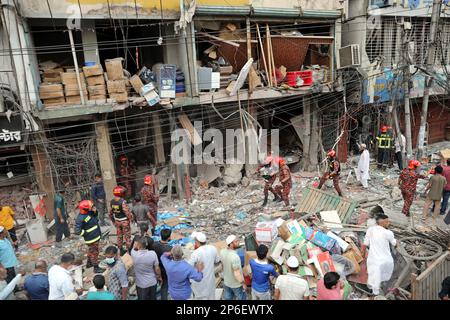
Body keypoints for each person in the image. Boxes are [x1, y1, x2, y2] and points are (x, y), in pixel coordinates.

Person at [360, 214, 397, 296]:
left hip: (374, 260)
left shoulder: (370, 229)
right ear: (382, 222)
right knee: (381, 277)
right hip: (386, 261)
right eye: (387, 222)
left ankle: (374, 293)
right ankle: (377, 292)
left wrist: (362, 254)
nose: (389, 223)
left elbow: (365, 243)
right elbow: (394, 243)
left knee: (374, 279)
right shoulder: (388, 233)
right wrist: (397, 242)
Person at [74, 200, 105, 273]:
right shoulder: (80, 218)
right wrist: (86, 233)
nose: (92, 207)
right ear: (85, 209)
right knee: (94, 253)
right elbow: (77, 231)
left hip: (96, 236)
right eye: (90, 207)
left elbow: (95, 218)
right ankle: (96, 268)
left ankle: (89, 263)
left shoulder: (89, 213)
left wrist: (95, 212)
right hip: (91, 239)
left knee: (91, 251)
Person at [188, 232, 220, 300]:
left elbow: (189, 267)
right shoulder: (212, 248)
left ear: (197, 242)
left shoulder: (196, 253)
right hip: (210, 281)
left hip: (199, 283)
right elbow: (217, 260)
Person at [220, 235, 246, 300]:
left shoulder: (222, 251)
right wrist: (243, 283)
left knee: (228, 298)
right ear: (231, 244)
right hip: (236, 284)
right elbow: (237, 273)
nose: (238, 242)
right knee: (241, 297)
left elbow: (222, 266)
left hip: (226, 282)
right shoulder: (235, 257)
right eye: (236, 241)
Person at [109, 186, 134, 252]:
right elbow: (127, 212)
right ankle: (129, 250)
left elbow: (110, 213)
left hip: (117, 221)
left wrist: (113, 221)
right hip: (124, 221)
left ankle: (120, 250)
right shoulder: (122, 202)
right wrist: (131, 219)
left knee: (119, 236)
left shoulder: (112, 201)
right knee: (127, 236)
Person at [152, 228, 172, 300]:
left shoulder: (154, 245)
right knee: (164, 287)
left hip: (154, 268)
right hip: (164, 270)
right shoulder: (169, 248)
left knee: (153, 286)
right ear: (169, 237)